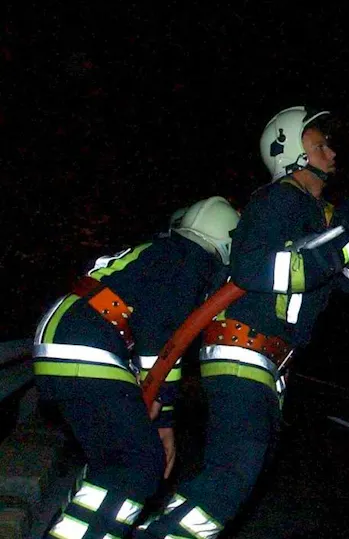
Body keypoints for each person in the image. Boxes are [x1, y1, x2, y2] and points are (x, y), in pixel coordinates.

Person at [136, 106, 349, 538]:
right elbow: (255, 269)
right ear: (292, 154)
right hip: (243, 348)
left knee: (234, 478)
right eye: (319, 144)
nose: (332, 151)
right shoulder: (276, 201)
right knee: (232, 475)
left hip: (270, 363)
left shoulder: (320, 213)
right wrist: (342, 240)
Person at [34, 196, 240, 539]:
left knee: (113, 464)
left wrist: (163, 417)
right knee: (139, 466)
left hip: (64, 338)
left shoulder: (159, 253)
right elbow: (162, 337)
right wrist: (163, 400)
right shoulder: (190, 260)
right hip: (89, 343)